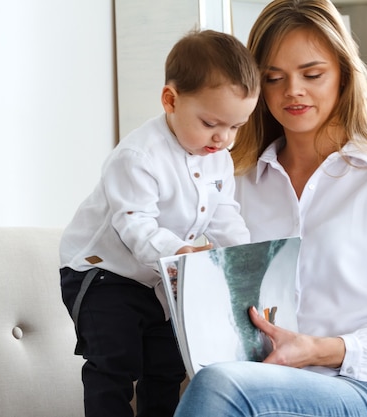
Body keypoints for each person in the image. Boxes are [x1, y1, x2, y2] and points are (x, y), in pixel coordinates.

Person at [173, 1, 367, 417]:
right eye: (274, 78)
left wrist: (318, 351)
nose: (293, 91)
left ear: (343, 74)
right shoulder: (235, 184)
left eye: (312, 74)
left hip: (362, 391)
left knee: (220, 387)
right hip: (256, 381)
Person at [59, 29, 259, 417]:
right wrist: (181, 253)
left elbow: (225, 218)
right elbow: (137, 227)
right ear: (170, 99)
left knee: (166, 366)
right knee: (114, 364)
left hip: (160, 278)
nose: (224, 139)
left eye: (236, 127)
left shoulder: (217, 157)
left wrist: (242, 263)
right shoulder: (137, 156)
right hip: (102, 273)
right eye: (211, 123)